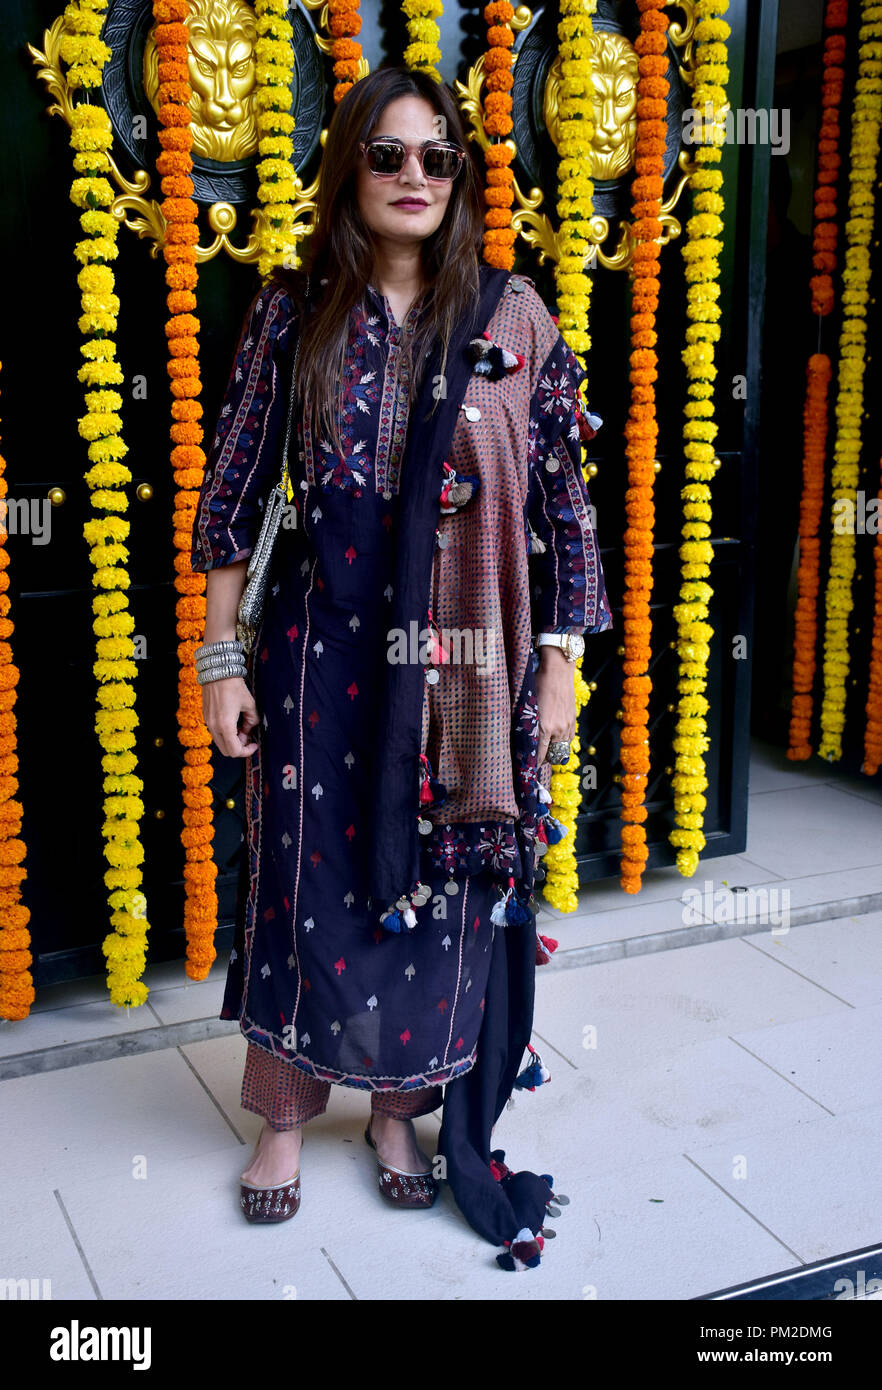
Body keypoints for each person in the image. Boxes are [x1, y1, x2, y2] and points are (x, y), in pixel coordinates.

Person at [191, 64, 612, 1259]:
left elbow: (564, 508)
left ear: (461, 176)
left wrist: (560, 662)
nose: (414, 176)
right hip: (321, 651)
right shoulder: (293, 308)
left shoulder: (510, 318)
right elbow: (232, 492)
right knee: (304, 885)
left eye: (437, 157)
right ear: (350, 168)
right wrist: (222, 658)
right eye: (388, 154)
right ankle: (280, 1117)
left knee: (433, 892)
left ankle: (398, 1109)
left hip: (467, 667)